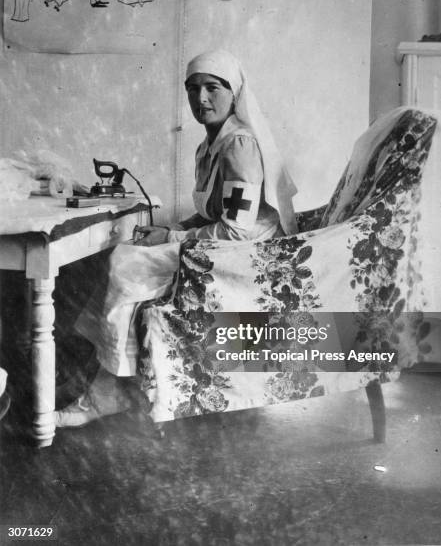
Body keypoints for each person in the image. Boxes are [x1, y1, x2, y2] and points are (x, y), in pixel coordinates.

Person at [56, 49, 297, 427]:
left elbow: (236, 228)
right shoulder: (210, 145)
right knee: (129, 253)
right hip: (226, 240)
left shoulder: (239, 146)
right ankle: (101, 377)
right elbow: (210, 213)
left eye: (212, 88)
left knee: (126, 261)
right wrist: (168, 232)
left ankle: (107, 393)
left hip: (248, 252)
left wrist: (171, 234)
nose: (200, 99)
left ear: (234, 93)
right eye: (192, 89)